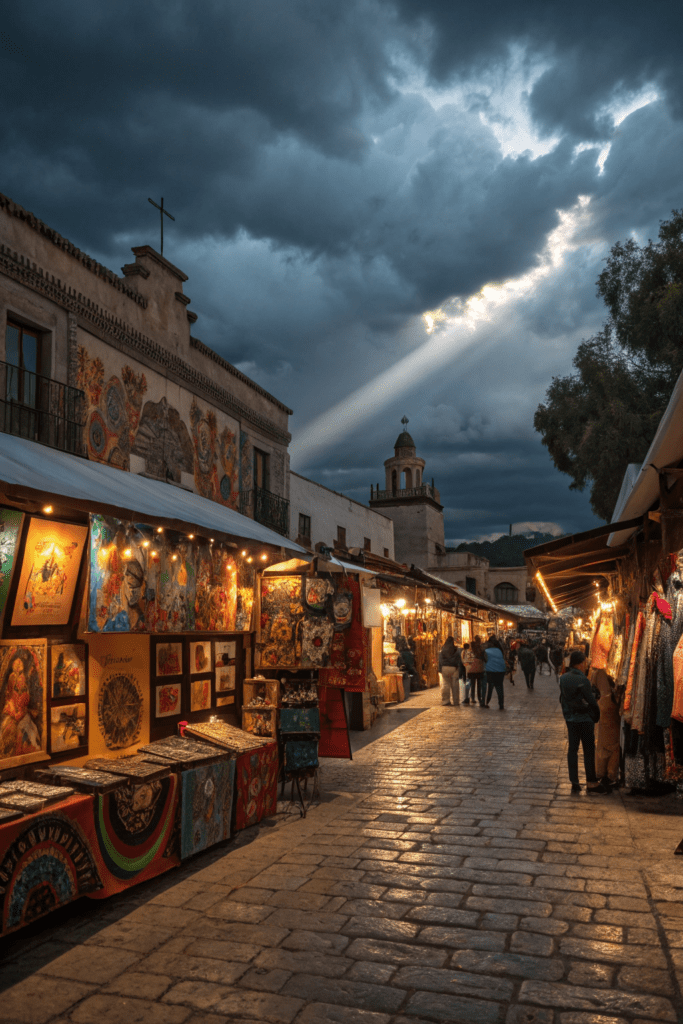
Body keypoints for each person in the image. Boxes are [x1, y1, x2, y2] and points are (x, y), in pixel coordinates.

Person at [559, 650, 609, 794]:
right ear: (581, 663)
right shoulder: (583, 680)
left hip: (571, 719)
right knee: (588, 750)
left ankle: (574, 781)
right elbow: (591, 701)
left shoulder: (563, 678)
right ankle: (591, 782)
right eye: (585, 662)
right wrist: (596, 715)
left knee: (572, 750)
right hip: (584, 720)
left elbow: (563, 699)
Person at [484, 638, 507, 709]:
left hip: (490, 671)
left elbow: (484, 660)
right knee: (499, 687)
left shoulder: (486, 651)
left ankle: (486, 702)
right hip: (501, 671)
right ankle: (501, 704)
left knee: (490, 687)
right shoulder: (500, 650)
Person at [438, 636, 460, 706]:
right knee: (455, 685)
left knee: (445, 684)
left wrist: (440, 668)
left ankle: (446, 701)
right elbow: (458, 659)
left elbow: (440, 660)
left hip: (445, 668)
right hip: (454, 668)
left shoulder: (443, 650)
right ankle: (456, 701)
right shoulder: (456, 649)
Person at [467, 637, 486, 707]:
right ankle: (479, 698)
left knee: (472, 684)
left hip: (472, 669)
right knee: (479, 684)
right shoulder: (480, 649)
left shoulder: (470, 650)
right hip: (479, 669)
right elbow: (483, 658)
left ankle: (472, 698)